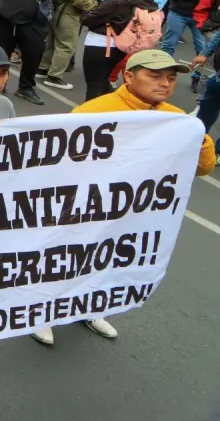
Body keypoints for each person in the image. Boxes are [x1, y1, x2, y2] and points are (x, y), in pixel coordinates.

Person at [42, 49, 216, 345]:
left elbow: (203, 168)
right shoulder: (95, 112)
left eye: (171, 78)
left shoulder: (177, 120)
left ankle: (89, 307)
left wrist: (200, 140)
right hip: (85, 205)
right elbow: (59, 160)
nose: (164, 84)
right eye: (155, 76)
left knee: (106, 260)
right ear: (129, 76)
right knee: (66, 257)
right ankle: (42, 311)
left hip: (133, 212)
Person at [79, 0, 159, 100]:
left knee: (94, 84)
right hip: (121, 46)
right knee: (103, 81)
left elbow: (87, 19)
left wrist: (89, 13)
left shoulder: (116, 1)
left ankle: (88, 116)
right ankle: (114, 110)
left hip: (101, 45)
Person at [40, 0, 99, 91]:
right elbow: (79, 1)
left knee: (52, 42)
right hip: (68, 14)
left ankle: (43, 68)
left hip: (56, 10)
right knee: (66, 45)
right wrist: (95, 4)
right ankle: (54, 76)